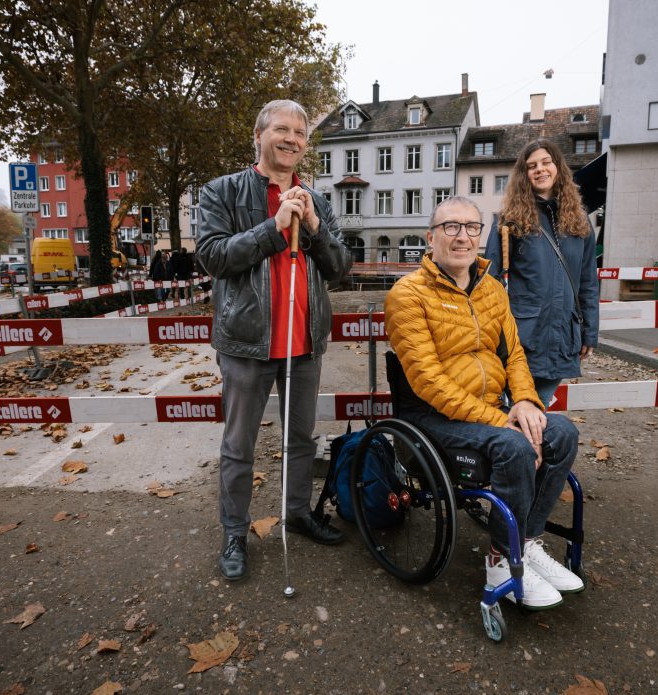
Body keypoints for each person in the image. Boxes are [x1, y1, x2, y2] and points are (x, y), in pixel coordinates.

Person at [385, 196, 583, 610]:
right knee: (511, 445)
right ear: (431, 237)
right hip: (431, 416)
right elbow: (428, 381)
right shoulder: (408, 294)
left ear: (481, 235)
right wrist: (501, 421)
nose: (462, 236)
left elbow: (513, 355)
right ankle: (499, 559)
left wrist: (527, 401)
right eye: (450, 227)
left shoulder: (493, 289)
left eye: (472, 227)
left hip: (488, 408)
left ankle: (524, 544)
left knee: (561, 432)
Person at [197, 99, 350, 582]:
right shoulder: (222, 191)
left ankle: (298, 513)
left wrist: (317, 229)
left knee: (301, 439)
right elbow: (213, 257)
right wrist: (273, 227)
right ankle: (235, 532)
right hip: (246, 343)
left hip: (303, 343)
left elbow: (340, 269)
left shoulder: (318, 199)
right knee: (239, 444)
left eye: (300, 133)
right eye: (281, 129)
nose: (291, 139)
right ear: (259, 135)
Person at [485, 139, 600, 408]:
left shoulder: (579, 220)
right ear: (524, 175)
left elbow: (588, 282)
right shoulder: (509, 220)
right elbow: (489, 281)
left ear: (558, 167)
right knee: (515, 412)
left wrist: (589, 332)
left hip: (562, 335)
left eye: (546, 162)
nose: (540, 169)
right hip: (522, 336)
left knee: (539, 408)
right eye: (532, 166)